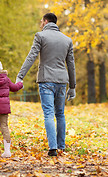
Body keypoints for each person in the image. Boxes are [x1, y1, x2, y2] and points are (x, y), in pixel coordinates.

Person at [16, 12, 76, 156]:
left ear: (45, 21)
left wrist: (20, 76)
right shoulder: (67, 40)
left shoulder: (40, 36)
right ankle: (61, 146)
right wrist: (72, 87)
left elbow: (31, 57)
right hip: (62, 81)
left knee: (49, 113)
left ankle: (53, 148)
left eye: (41, 21)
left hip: (46, 80)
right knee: (60, 114)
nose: (41, 24)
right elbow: (71, 64)